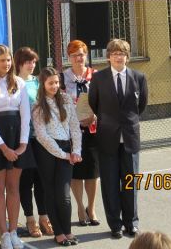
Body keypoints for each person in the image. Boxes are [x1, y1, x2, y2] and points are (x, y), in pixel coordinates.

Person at [89, 39, 148, 239]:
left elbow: (141, 106)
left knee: (130, 183)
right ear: (108, 56)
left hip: (130, 138)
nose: (118, 56)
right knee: (110, 183)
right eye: (114, 53)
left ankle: (131, 223)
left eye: (121, 53)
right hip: (107, 138)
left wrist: (126, 122)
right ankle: (115, 225)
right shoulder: (99, 78)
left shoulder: (139, 77)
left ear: (127, 56)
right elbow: (94, 104)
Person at [0, 44, 34, 249]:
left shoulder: (19, 82)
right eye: (3, 60)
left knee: (13, 187)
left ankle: (13, 232)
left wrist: (22, 145)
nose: (7, 63)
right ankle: (3, 234)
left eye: (9, 60)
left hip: (17, 137)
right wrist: (3, 147)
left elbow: (25, 115)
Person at [32, 67, 82, 246]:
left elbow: (75, 127)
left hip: (67, 149)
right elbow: (42, 135)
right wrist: (63, 154)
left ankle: (67, 231)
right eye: (50, 83)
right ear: (43, 84)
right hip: (48, 151)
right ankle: (58, 233)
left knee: (64, 195)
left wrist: (76, 151)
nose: (54, 86)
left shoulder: (67, 100)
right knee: (51, 192)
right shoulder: (38, 106)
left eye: (57, 82)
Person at [13, 47, 52, 238]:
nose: (31, 65)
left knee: (41, 180)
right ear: (19, 62)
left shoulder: (38, 81)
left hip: (41, 139)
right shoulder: (13, 82)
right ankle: (30, 219)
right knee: (25, 182)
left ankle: (44, 217)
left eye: (34, 61)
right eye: (28, 61)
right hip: (23, 140)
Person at [60, 40, 100, 227]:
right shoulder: (62, 78)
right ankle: (79, 207)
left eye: (82, 54)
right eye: (75, 55)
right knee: (76, 171)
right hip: (71, 131)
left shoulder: (97, 76)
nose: (79, 58)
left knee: (92, 172)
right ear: (69, 58)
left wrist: (95, 116)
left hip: (92, 128)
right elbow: (57, 104)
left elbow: (104, 101)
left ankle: (91, 208)